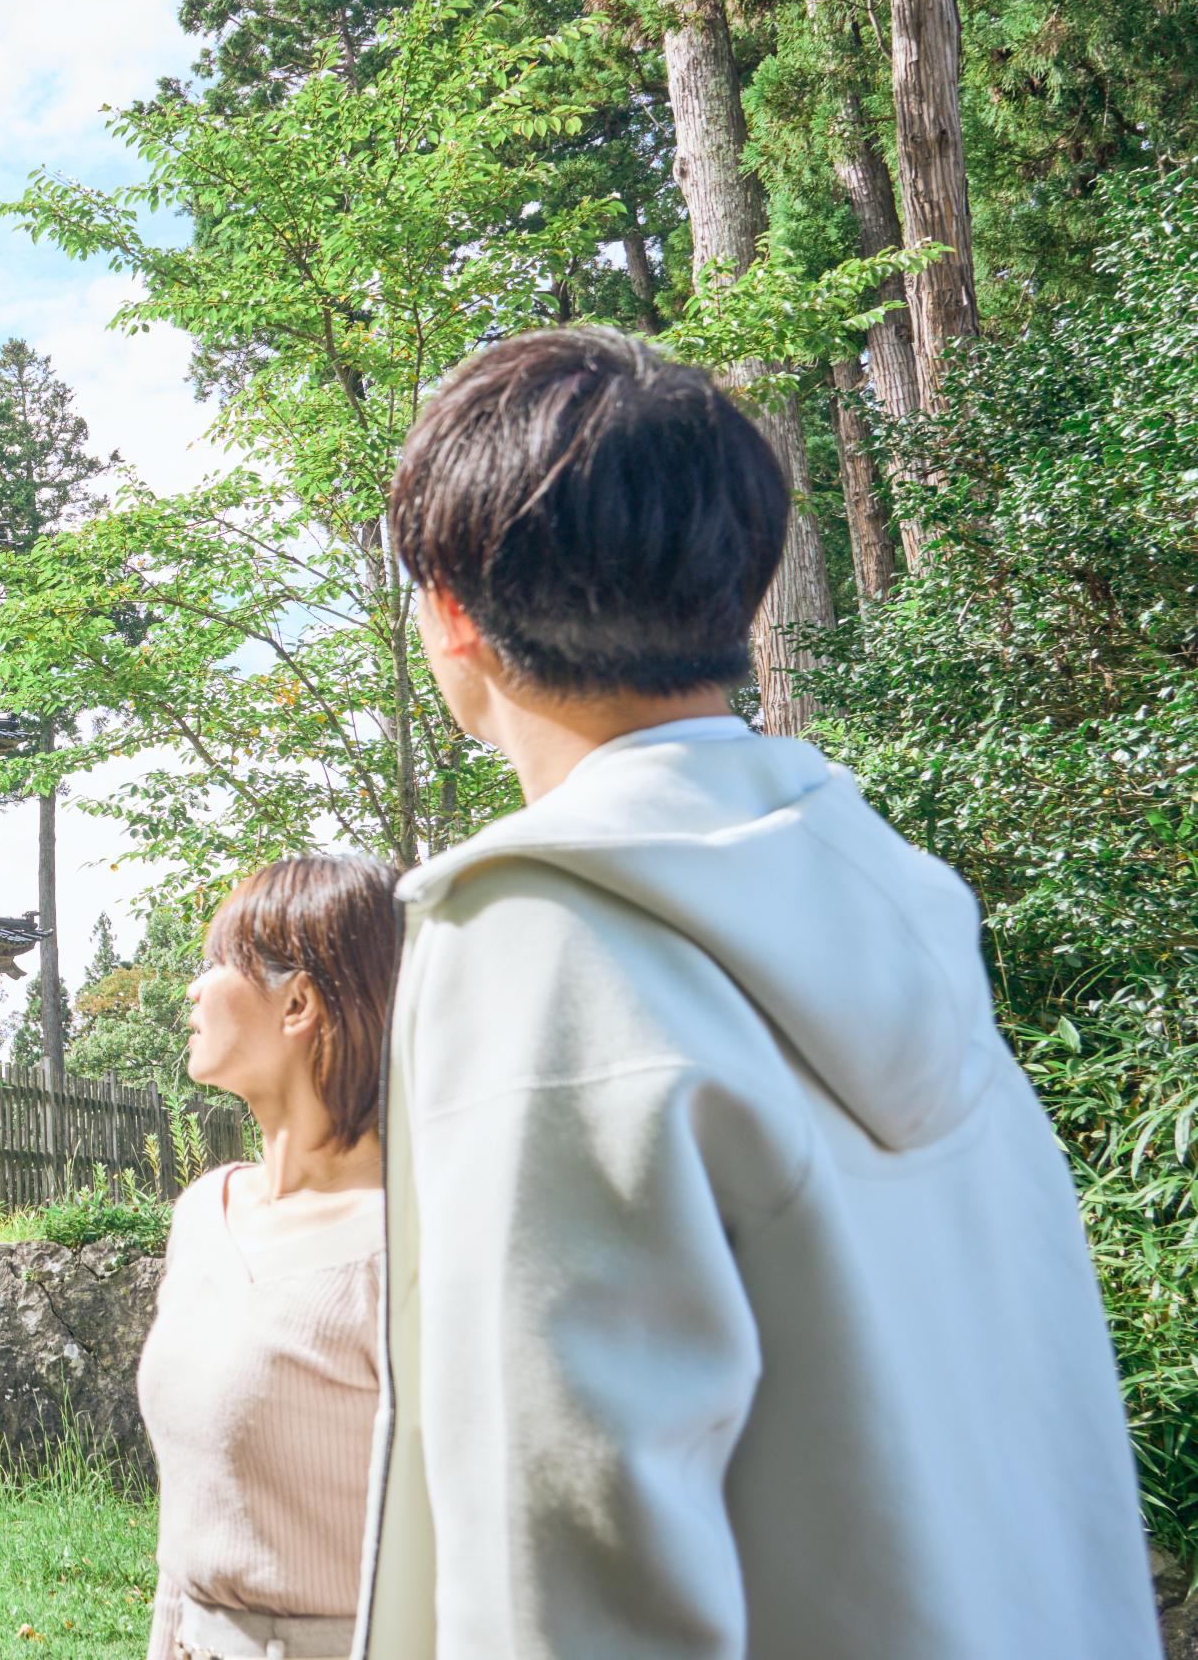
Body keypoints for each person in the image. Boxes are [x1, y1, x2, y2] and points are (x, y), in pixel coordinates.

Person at [357, 323, 1154, 1658]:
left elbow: (567, 1548)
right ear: (744, 582)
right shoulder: (893, 896)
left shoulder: (541, 932)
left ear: (450, 610)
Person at [141, 853, 400, 1660]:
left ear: (298, 1003)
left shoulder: (407, 1244)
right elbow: (186, 1530)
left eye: (219, 962)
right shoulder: (202, 1212)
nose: (192, 988)